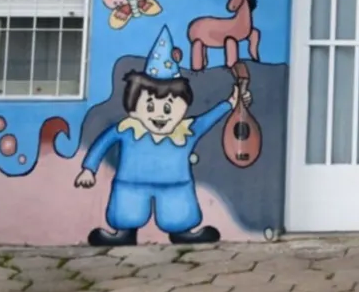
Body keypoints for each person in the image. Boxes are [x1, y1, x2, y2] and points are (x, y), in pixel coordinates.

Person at [75, 25, 251, 245]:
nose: (160, 114)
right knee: (128, 209)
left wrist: (231, 104)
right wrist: (88, 169)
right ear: (133, 106)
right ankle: (124, 233)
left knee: (177, 212)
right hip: (131, 183)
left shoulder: (185, 130)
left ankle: (182, 231)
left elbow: (207, 119)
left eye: (168, 107)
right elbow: (103, 143)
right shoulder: (128, 128)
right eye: (149, 106)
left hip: (175, 184)